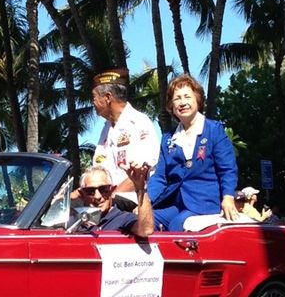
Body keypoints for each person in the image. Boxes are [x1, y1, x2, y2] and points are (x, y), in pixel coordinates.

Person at [147, 74, 238, 230]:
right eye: (177, 98)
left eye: (187, 97)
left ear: (197, 99)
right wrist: (145, 203)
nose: (182, 103)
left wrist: (228, 197)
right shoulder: (168, 139)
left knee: (176, 226)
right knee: (143, 220)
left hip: (205, 204)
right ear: (171, 105)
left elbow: (227, 169)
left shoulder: (214, 130)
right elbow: (160, 177)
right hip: (176, 204)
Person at [91, 70, 161, 200]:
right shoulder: (107, 128)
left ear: (107, 97)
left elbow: (141, 173)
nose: (93, 102)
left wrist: (111, 198)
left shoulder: (139, 122)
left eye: (94, 97)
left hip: (133, 199)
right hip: (107, 199)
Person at [74, 163, 154, 238]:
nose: (97, 196)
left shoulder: (123, 218)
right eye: (90, 191)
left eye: (104, 189)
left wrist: (140, 188)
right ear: (82, 195)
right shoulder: (74, 222)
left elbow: (146, 230)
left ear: (112, 191)